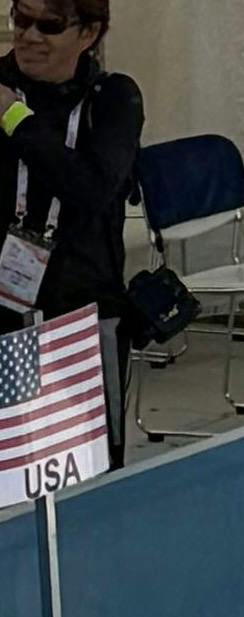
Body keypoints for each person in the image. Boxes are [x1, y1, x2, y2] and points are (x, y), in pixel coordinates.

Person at [0, 0, 142, 468]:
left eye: (50, 25)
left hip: (82, 309)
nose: (29, 36)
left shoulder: (112, 98)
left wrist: (14, 119)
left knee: (88, 464)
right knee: (11, 460)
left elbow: (89, 189)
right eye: (21, 19)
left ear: (89, 33)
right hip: (6, 305)